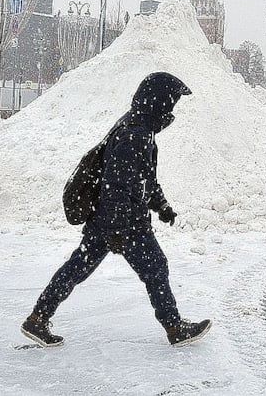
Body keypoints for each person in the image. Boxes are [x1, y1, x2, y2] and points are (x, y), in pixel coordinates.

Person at [21, 72, 211, 348]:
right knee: (155, 267)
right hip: (124, 222)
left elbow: (143, 179)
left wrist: (162, 206)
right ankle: (174, 328)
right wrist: (118, 229)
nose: (172, 109)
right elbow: (117, 185)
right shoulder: (135, 134)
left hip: (111, 220)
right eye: (171, 102)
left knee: (77, 268)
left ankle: (38, 319)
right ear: (158, 101)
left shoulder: (138, 127)